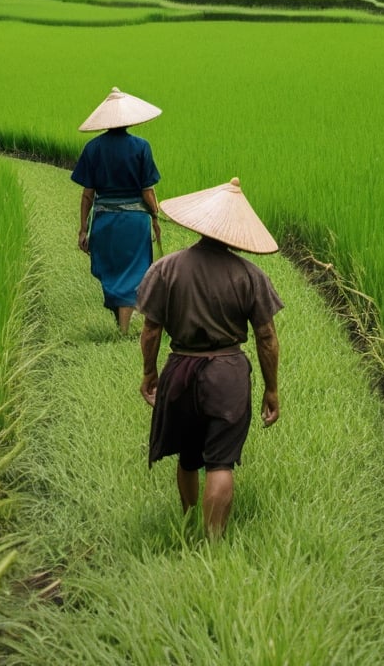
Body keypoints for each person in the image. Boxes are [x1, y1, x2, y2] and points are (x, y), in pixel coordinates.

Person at [137, 176, 283, 538]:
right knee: (220, 462)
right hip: (227, 373)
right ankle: (213, 539)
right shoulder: (250, 276)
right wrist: (271, 389)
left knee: (188, 456)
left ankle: (187, 520)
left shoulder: (166, 269)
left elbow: (151, 330)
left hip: (180, 369)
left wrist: (149, 373)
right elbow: (266, 336)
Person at [71, 87, 162, 335]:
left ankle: (122, 329)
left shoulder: (93, 148)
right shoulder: (141, 147)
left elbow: (87, 194)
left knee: (110, 270)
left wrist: (83, 229)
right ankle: (123, 326)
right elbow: (147, 190)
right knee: (133, 270)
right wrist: (155, 217)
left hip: (105, 220)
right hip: (135, 221)